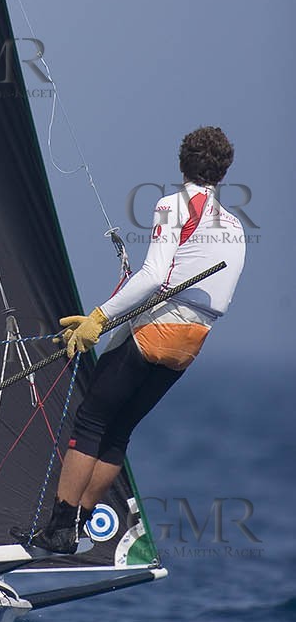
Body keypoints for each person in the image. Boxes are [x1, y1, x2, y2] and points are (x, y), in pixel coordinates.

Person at [32, 126, 245, 554]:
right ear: (223, 172)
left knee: (91, 421)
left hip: (156, 331)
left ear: (182, 162)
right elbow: (217, 294)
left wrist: (98, 318)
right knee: (119, 432)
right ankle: (79, 527)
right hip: (190, 344)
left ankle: (59, 527)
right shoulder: (236, 226)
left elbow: (153, 276)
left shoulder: (173, 205)